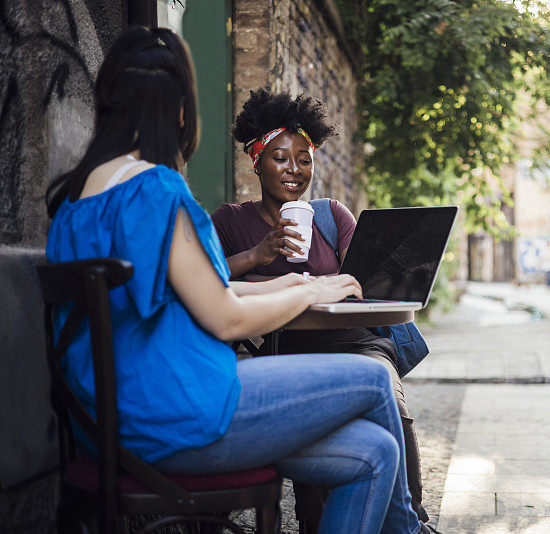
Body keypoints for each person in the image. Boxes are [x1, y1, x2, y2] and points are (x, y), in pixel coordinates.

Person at [44, 25, 430, 534]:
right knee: (378, 376)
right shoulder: (157, 189)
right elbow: (225, 317)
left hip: (112, 421)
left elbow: (197, 292)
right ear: (180, 110)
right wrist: (314, 288)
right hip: (180, 414)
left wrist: (287, 285)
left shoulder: (76, 200)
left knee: (377, 451)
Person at [211, 89, 431, 532]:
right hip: (283, 348)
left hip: (355, 343)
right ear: (256, 161)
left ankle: (414, 520)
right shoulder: (231, 221)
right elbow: (208, 279)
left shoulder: (331, 215)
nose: (294, 169)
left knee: (385, 386)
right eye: (280, 157)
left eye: (304, 159)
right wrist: (257, 256)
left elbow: (361, 285)